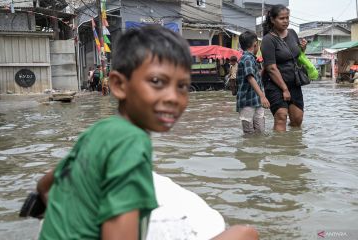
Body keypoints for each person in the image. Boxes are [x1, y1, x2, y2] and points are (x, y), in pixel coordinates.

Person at [36, 25, 258, 240]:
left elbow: (45, 185)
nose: (173, 97)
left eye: (182, 86)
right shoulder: (131, 144)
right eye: (157, 82)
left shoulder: (102, 129)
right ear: (119, 85)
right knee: (246, 234)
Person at [261, 4, 308, 131]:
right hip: (275, 84)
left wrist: (302, 48)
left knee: (297, 120)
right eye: (282, 18)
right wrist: (284, 89)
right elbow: (271, 68)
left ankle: (291, 147)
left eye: (287, 18)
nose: (286, 21)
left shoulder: (292, 33)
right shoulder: (268, 40)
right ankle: (279, 149)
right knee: (281, 116)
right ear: (272, 19)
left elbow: (295, 55)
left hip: (294, 82)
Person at [236, 31, 270, 134]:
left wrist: (263, 69)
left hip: (255, 100)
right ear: (255, 44)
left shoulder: (250, 59)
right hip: (248, 101)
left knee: (260, 131)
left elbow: (255, 77)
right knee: (249, 133)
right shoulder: (247, 58)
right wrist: (262, 96)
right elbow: (250, 78)